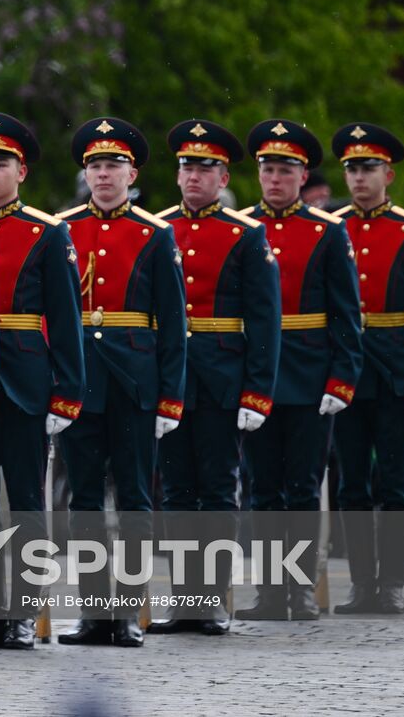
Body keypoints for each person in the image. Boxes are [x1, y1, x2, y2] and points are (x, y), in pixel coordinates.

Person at [55, 117, 187, 649]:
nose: (103, 174)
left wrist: (170, 397)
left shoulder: (155, 235)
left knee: (134, 500)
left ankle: (128, 611)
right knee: (83, 500)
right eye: (94, 165)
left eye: (113, 165)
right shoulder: (62, 228)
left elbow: (174, 325)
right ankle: (93, 611)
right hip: (80, 382)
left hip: (135, 384)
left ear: (132, 172)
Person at [0, 112, 84, 652]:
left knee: (29, 501)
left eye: (0, 163)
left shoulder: (47, 233)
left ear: (21, 171)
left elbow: (67, 315)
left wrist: (68, 389)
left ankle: (26, 613)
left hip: (26, 378)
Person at [152, 120, 280, 636]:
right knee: (177, 490)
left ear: (223, 175)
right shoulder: (158, 229)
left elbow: (265, 318)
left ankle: (210, 599)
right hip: (171, 378)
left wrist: (258, 390)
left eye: (205, 167)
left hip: (223, 376)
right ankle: (183, 598)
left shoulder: (247, 236)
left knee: (218, 489)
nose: (194, 177)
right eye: (187, 166)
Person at [235, 119, 362, 622]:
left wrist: (342, 378)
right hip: (258, 377)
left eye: (285, 170)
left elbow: (346, 314)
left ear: (302, 175)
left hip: (309, 375)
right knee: (263, 488)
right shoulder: (244, 228)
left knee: (304, 489)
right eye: (267, 169)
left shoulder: (328, 232)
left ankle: (300, 589)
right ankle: (269, 591)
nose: (273, 179)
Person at [329, 123, 404, 615]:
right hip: (347, 370)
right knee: (351, 482)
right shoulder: (332, 226)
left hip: (397, 364)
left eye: (368, 169)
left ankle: (392, 583)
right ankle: (360, 584)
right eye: (352, 169)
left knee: (395, 481)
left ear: (388, 174)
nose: (359, 178)